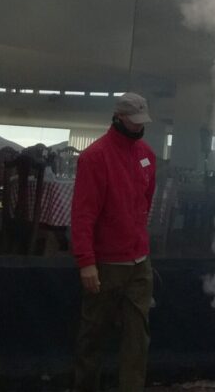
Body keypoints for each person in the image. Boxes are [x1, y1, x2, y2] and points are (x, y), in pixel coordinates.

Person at [71, 92, 158, 392]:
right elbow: (82, 215)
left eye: (141, 122)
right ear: (118, 118)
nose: (138, 127)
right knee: (92, 336)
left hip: (139, 262)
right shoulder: (95, 157)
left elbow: (145, 202)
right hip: (106, 264)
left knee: (138, 339)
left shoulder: (147, 155)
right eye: (133, 122)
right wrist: (86, 262)